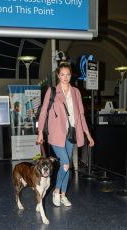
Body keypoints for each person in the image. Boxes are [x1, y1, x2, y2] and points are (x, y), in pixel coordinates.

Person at [37, 62, 94, 207]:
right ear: (58, 75)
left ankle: (63, 195)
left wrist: (88, 134)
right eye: (62, 74)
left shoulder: (76, 92)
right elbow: (43, 112)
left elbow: (81, 115)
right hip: (56, 134)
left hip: (72, 133)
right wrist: (39, 133)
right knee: (66, 163)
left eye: (68, 74)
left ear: (71, 75)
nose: (65, 77)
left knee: (65, 164)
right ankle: (56, 191)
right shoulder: (52, 91)